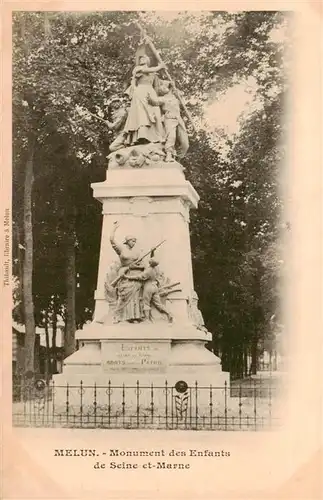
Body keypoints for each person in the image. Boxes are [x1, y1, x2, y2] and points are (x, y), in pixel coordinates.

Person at [123, 55, 165, 147]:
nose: (141, 60)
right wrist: (160, 67)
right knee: (142, 114)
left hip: (151, 92)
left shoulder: (154, 73)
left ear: (148, 60)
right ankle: (141, 136)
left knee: (155, 114)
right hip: (140, 91)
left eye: (144, 58)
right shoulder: (138, 68)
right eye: (140, 59)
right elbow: (146, 71)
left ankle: (157, 137)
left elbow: (159, 86)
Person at [109, 221, 144, 323]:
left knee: (135, 297)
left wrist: (136, 266)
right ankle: (118, 316)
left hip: (134, 274)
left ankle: (134, 316)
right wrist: (114, 228)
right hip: (124, 274)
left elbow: (142, 265)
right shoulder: (121, 249)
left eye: (135, 241)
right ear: (127, 241)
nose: (134, 242)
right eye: (132, 241)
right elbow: (111, 240)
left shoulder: (137, 252)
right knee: (123, 295)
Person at [147, 80, 189, 162]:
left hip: (179, 120)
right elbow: (153, 101)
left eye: (164, 86)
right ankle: (169, 155)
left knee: (185, 144)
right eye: (162, 86)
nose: (162, 88)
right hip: (169, 119)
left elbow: (182, 101)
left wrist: (175, 90)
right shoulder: (163, 99)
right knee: (171, 137)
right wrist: (147, 92)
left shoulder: (177, 98)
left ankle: (178, 158)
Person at [127, 258, 173, 323]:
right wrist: (152, 251)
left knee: (146, 303)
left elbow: (139, 277)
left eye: (150, 260)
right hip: (155, 287)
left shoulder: (148, 270)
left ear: (151, 263)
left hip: (148, 287)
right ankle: (169, 313)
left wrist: (127, 277)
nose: (149, 260)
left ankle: (147, 319)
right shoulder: (156, 268)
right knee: (159, 304)